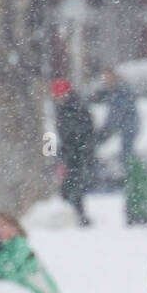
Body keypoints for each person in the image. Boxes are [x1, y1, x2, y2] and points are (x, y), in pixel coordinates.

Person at [51, 79, 97, 226]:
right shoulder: (66, 108)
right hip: (73, 153)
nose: (57, 98)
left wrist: (69, 152)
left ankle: (80, 216)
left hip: (78, 154)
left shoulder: (73, 109)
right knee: (71, 186)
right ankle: (77, 214)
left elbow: (76, 134)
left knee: (74, 185)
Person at [92, 68, 140, 164]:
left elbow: (118, 110)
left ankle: (130, 172)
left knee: (127, 152)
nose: (106, 81)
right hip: (126, 125)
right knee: (126, 152)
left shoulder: (121, 90)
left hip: (128, 126)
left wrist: (108, 128)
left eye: (107, 78)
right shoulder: (116, 90)